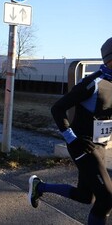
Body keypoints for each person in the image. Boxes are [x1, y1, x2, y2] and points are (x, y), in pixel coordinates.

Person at [28, 37, 112, 225]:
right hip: (81, 145)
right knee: (106, 198)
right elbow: (57, 109)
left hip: (100, 145)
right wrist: (72, 139)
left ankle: (39, 187)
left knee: (85, 196)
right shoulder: (92, 83)